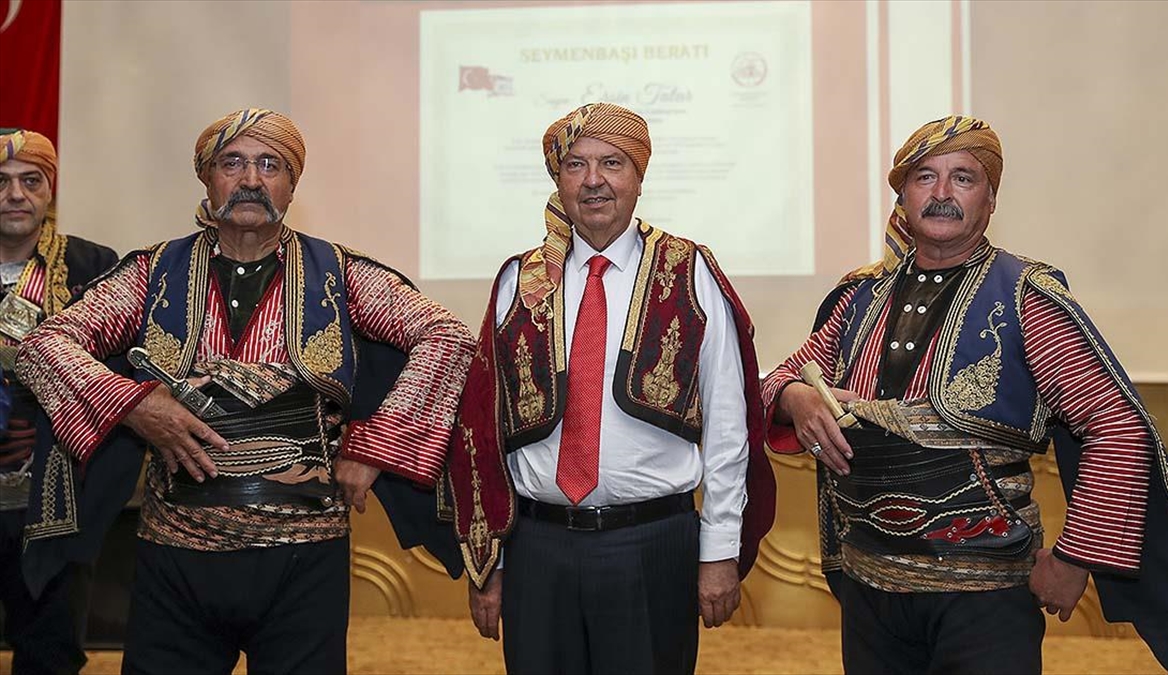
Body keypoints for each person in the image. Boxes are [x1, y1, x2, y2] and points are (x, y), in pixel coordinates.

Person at [14, 109, 475, 675]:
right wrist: (133, 403)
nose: (251, 179)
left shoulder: (340, 273)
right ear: (208, 180)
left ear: (292, 183)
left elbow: (448, 336)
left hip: (304, 561)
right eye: (232, 163)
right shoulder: (152, 272)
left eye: (269, 164)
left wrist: (377, 444)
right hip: (174, 557)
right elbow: (44, 344)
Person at [762, 115, 1168, 674]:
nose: (942, 194)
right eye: (925, 178)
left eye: (963, 178)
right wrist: (798, 395)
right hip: (869, 583)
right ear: (903, 195)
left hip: (986, 596)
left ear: (990, 199)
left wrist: (1073, 560)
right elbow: (779, 381)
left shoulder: (1024, 296)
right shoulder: (860, 296)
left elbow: (1118, 427)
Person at [445, 102, 776, 675]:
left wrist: (720, 550)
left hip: (652, 544)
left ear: (639, 176)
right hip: (537, 547)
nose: (594, 180)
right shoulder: (518, 282)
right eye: (575, 165)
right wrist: (489, 560)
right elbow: (483, 429)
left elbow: (728, 423)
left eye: (612, 163)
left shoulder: (689, 272)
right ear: (559, 180)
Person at [0, 128, 118, 675]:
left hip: (55, 503)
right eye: (0, 182)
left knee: (49, 652)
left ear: (51, 191)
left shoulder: (93, 266)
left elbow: (113, 378)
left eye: (31, 180)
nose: (16, 194)